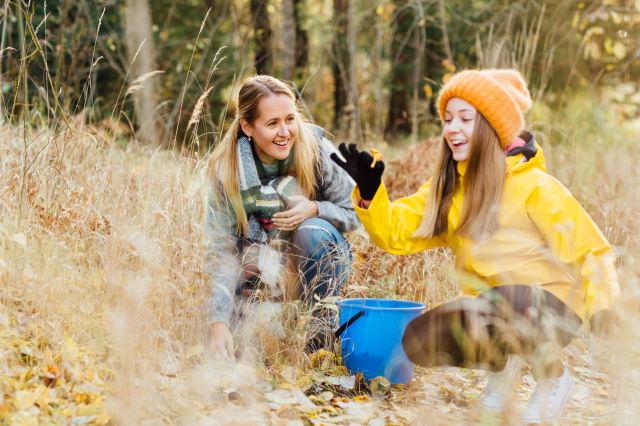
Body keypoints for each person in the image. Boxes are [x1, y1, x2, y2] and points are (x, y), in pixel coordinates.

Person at [331, 69, 620, 423]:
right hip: (495, 306)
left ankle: (554, 381)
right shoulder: (450, 191)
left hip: (553, 309)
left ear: (491, 127)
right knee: (421, 337)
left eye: (465, 119)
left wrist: (603, 305)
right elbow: (396, 234)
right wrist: (371, 192)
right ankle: (503, 369)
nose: (452, 128)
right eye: (448, 119)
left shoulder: (537, 188)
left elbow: (589, 249)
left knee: (509, 300)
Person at [205, 75, 359, 360]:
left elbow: (357, 212)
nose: (285, 131)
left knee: (313, 230)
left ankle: (321, 330)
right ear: (247, 126)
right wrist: (218, 324)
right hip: (259, 268)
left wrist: (316, 209)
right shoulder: (227, 171)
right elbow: (220, 251)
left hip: (313, 257)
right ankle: (266, 318)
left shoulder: (316, 150)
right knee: (246, 347)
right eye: (272, 123)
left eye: (290, 119)